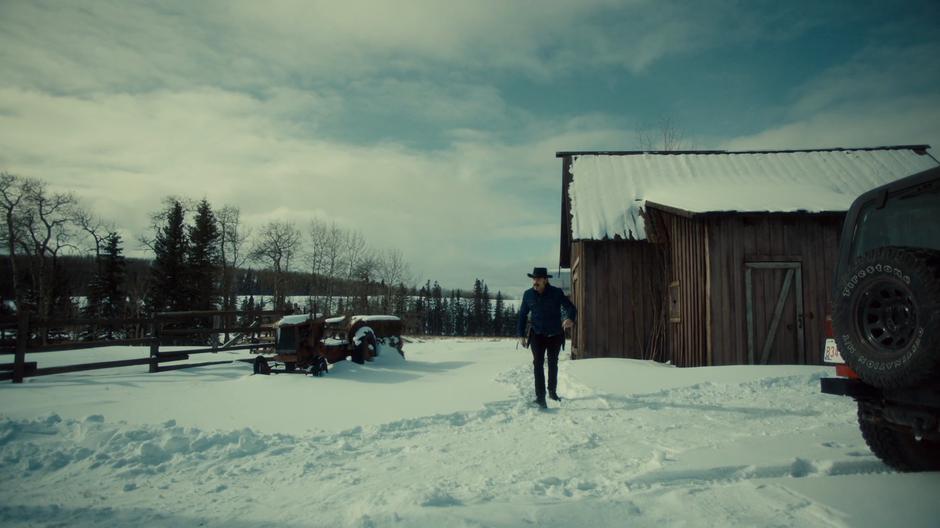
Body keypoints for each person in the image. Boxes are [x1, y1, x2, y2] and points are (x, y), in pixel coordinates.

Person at [517, 267, 577, 408]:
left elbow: (571, 308)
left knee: (552, 363)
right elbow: (522, 315)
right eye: (533, 278)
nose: (535, 281)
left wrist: (570, 319)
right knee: (537, 364)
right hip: (537, 334)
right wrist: (520, 334)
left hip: (555, 334)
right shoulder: (528, 295)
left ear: (545, 280)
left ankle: (552, 392)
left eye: (538, 279)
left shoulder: (556, 293)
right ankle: (540, 397)